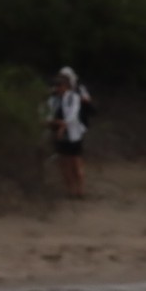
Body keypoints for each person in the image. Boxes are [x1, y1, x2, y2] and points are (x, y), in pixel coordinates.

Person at [46, 66, 87, 199]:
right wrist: (56, 124)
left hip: (73, 135)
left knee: (75, 163)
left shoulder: (73, 97)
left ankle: (80, 191)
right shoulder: (53, 100)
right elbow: (48, 115)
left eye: (60, 85)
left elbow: (72, 115)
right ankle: (70, 191)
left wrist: (62, 125)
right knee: (64, 163)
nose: (57, 88)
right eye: (56, 86)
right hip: (60, 134)